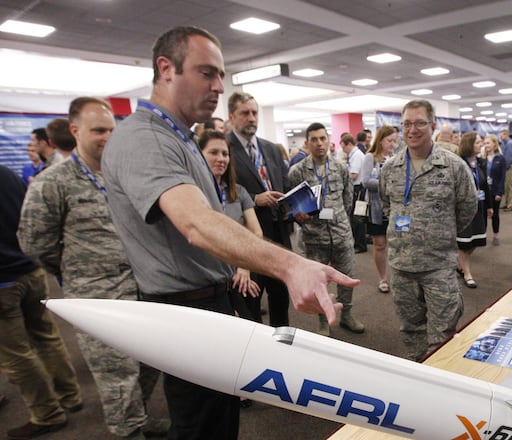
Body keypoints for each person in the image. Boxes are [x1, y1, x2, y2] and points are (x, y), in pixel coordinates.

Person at [101, 26, 357, 439]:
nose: (220, 86)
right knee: (202, 425)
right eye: (207, 73)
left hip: (208, 302)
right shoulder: (146, 138)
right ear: (166, 69)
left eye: (221, 74)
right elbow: (196, 223)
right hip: (185, 312)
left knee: (219, 420)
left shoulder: (180, 137)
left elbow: (215, 217)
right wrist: (290, 266)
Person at [17, 97, 166, 440]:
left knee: (148, 362)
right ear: (75, 131)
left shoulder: (123, 175)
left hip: (142, 286)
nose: (107, 137)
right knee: (118, 376)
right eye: (98, 130)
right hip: (97, 295)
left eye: (112, 130)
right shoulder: (53, 182)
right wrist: (77, 271)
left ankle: (139, 418)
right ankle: (128, 431)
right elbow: (34, 243)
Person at [379, 99, 477, 361]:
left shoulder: (454, 166)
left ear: (432, 125)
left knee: (442, 335)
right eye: (407, 124)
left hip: (439, 266)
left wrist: (439, 232)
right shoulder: (390, 168)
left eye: (420, 123)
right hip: (401, 267)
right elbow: (387, 206)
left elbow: (468, 208)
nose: (413, 129)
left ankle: (440, 383)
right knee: (411, 331)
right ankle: (419, 375)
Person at [1, 165, 82, 440]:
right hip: (30, 271)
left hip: (4, 281)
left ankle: (47, 414)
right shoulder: (9, 174)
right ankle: (69, 395)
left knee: (16, 355)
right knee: (46, 336)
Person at [288, 123, 365, 336]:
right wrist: (300, 216)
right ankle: (323, 320)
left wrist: (340, 219)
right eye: (314, 139)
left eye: (323, 138)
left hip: (341, 234)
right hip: (314, 236)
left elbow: (348, 199)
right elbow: (295, 204)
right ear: (307, 142)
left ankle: (347, 315)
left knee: (346, 277)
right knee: (318, 282)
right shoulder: (297, 171)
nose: (319, 143)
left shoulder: (340, 167)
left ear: (328, 141)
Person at [226, 91, 291, 327]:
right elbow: (222, 192)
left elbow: (283, 183)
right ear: (232, 117)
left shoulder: (271, 148)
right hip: (247, 238)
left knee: (280, 297)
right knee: (251, 301)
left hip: (278, 234)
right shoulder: (224, 149)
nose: (251, 118)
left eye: (254, 113)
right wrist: (255, 199)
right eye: (245, 113)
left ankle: (282, 349)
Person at [198, 129, 261, 314]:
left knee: (251, 323)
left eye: (225, 154)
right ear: (199, 156)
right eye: (213, 153)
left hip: (243, 269)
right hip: (211, 276)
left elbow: (256, 232)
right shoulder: (193, 195)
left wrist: (244, 266)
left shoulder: (239, 192)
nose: (221, 158)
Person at [360, 126, 397, 293]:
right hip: (376, 209)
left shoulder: (398, 158)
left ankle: (399, 277)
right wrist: (388, 184)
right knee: (380, 244)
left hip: (396, 209)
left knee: (398, 244)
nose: (393, 144)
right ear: (380, 140)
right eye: (389, 141)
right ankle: (383, 278)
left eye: (395, 141)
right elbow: (366, 181)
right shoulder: (371, 157)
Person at [456, 132, 493, 289]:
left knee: (476, 241)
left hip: (480, 206)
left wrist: (490, 206)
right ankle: (467, 273)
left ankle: (460, 265)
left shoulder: (481, 163)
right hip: (464, 208)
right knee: (465, 243)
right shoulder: (459, 163)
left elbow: (485, 186)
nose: (481, 145)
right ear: (469, 144)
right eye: (478, 142)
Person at [342, 133, 368, 253]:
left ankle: (360, 245)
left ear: (349, 144)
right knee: (355, 217)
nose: (343, 150)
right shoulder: (354, 155)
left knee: (357, 218)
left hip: (358, 189)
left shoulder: (356, 155)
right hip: (356, 188)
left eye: (343, 147)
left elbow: (353, 175)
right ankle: (358, 243)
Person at [483, 134, 506, 245]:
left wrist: (500, 192)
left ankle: (495, 235)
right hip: (484, 191)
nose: (486, 145)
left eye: (488, 143)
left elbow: (502, 177)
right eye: (485, 143)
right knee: (483, 214)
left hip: (495, 190)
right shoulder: (482, 159)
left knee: (495, 214)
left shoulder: (500, 159)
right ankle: (483, 235)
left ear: (494, 144)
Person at [499, 129, 512, 211]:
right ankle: (507, 203)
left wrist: (504, 168)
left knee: (509, 186)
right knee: (506, 186)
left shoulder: (509, 144)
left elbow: (508, 158)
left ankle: (510, 205)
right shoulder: (506, 143)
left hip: (509, 167)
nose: (500, 137)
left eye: (502, 135)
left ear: (506, 135)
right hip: (508, 166)